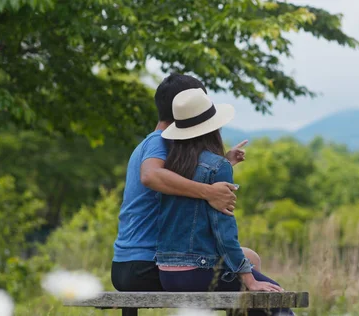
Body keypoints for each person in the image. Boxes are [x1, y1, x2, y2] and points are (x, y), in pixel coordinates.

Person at [111, 74, 260, 292]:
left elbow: (176, 179)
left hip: (126, 264)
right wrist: (209, 192)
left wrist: (223, 164)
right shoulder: (160, 141)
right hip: (148, 264)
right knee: (248, 263)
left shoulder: (149, 142)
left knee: (247, 258)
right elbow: (150, 176)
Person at [155, 88, 293, 316]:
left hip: (167, 274)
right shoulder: (217, 167)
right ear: (213, 127)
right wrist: (249, 279)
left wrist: (224, 164)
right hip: (197, 272)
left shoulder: (170, 167)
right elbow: (224, 232)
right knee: (276, 300)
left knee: (251, 303)